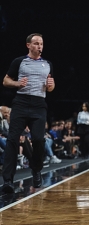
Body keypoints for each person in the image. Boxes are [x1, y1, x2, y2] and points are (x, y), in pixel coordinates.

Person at [1, 33, 55, 193]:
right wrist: (17, 83)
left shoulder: (48, 64)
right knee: (12, 139)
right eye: (36, 43)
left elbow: (50, 87)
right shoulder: (19, 62)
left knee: (39, 139)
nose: (40, 46)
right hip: (21, 103)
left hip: (39, 105)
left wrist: (51, 85)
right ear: (28, 45)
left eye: (42, 44)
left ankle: (36, 169)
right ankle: (8, 181)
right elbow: (5, 81)